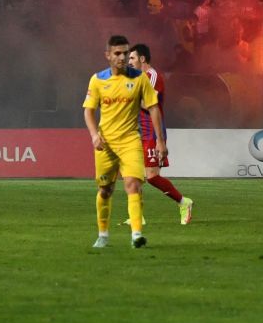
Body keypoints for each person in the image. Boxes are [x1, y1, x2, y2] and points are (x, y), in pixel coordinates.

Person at [82, 35, 166, 248]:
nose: (122, 57)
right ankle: (103, 235)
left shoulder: (140, 79)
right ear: (108, 55)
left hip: (130, 140)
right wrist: (94, 135)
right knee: (105, 190)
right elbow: (89, 111)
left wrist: (160, 142)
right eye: (117, 53)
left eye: (126, 53)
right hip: (106, 144)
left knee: (133, 184)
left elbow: (154, 108)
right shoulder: (98, 80)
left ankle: (136, 234)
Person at [127, 44, 194, 225]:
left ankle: (183, 202)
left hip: (152, 133)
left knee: (152, 176)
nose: (129, 62)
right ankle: (137, 216)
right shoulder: (138, 79)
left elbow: (150, 104)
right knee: (134, 175)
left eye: (132, 58)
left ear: (142, 59)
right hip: (139, 133)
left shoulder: (153, 77)